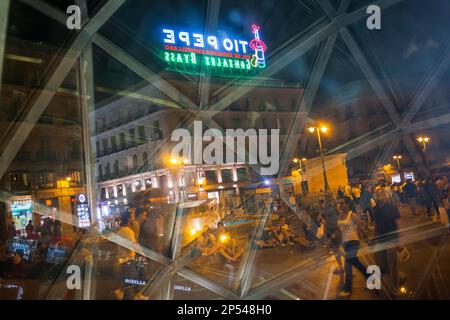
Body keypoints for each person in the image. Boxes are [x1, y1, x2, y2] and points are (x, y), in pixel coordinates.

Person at [372, 187, 401, 293]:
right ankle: (381, 284)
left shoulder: (391, 207)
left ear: (385, 195)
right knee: (380, 263)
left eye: (379, 194)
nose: (377, 196)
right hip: (379, 239)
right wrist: (374, 238)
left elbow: (397, 223)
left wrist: (399, 240)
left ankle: (395, 286)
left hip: (391, 239)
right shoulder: (375, 209)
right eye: (376, 194)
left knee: (392, 264)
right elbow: (376, 224)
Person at [337, 203, 369, 297]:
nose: (341, 205)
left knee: (348, 264)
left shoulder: (352, 215)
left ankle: (347, 288)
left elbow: (359, 227)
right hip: (345, 243)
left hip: (353, 241)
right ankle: (370, 276)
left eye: (343, 203)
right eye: (340, 203)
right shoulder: (339, 216)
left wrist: (365, 236)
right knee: (353, 261)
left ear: (347, 204)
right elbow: (339, 230)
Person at [321, 198, 344, 275]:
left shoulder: (334, 210)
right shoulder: (327, 211)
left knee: (338, 249)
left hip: (335, 231)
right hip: (330, 231)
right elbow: (325, 221)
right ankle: (341, 266)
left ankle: (349, 261)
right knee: (336, 250)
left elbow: (338, 219)